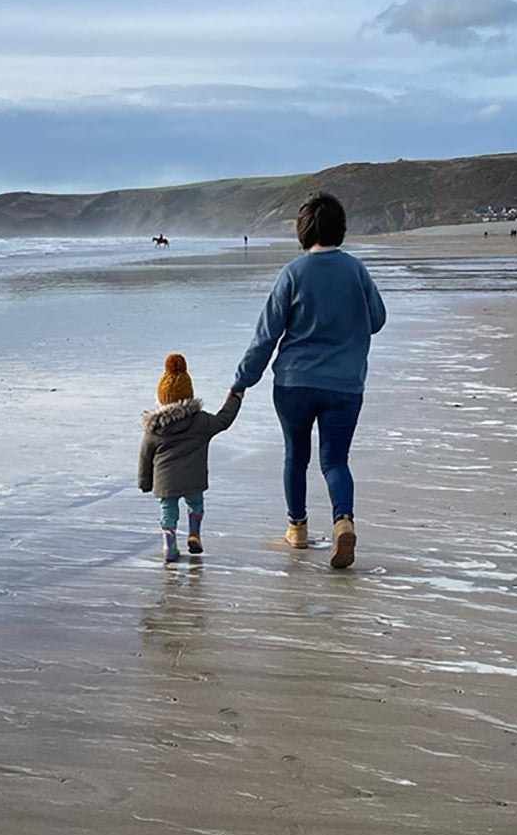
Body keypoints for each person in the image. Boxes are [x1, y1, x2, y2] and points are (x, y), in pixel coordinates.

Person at [231, 192, 386, 570]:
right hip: (345, 384)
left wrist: (242, 381)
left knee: (295, 456)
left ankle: (297, 530)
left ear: (303, 231)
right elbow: (378, 320)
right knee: (335, 461)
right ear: (341, 229)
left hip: (294, 384)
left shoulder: (293, 274)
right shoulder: (356, 271)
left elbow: (266, 336)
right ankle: (343, 521)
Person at [139, 353, 242, 566]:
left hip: (165, 482)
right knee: (196, 504)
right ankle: (194, 534)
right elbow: (224, 420)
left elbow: (145, 457)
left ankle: (170, 545)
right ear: (190, 395)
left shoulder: (155, 429)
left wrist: (145, 483)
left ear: (161, 398)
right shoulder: (201, 421)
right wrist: (234, 399)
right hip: (194, 479)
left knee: (168, 510)